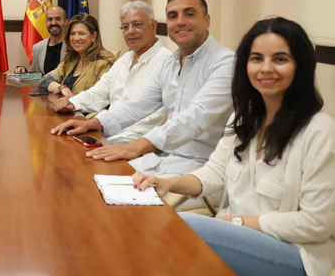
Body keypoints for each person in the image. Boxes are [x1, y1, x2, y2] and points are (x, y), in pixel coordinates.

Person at [134, 17, 335, 276]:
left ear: (301, 66)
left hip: (293, 253)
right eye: (257, 58)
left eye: (280, 59)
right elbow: (214, 173)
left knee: (182, 229)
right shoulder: (243, 117)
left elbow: (316, 223)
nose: (266, 68)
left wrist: (238, 223)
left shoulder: (319, 130)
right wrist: (167, 183)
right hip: (232, 234)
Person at [51, 0, 234, 177]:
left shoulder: (225, 63)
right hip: (163, 157)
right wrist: (93, 123)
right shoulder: (171, 63)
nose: (180, 21)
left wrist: (133, 147)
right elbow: (137, 106)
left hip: (202, 169)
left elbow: (193, 119)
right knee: (85, 171)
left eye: (189, 14)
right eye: (173, 16)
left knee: (106, 185)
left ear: (207, 21)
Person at [53, 1, 170, 144]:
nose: (130, 31)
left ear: (153, 26)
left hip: (137, 142)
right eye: (125, 27)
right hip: (107, 132)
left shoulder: (167, 62)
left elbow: (152, 118)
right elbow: (99, 92)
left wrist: (105, 138)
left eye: (137, 24)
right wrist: (70, 103)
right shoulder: (124, 60)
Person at [38, 13, 115, 96]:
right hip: (66, 107)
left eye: (81, 33)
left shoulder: (104, 63)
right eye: (72, 34)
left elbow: (99, 98)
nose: (76, 38)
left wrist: (72, 99)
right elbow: (43, 81)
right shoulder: (71, 60)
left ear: (93, 36)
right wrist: (63, 88)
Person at [14, 6, 68, 75]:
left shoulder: (72, 46)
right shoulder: (37, 48)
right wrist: (24, 70)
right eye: (50, 19)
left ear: (65, 22)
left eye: (58, 19)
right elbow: (36, 74)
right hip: (43, 86)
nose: (53, 23)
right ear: (46, 22)